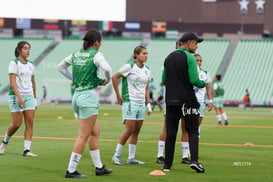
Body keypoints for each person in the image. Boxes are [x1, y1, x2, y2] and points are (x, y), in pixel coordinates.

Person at [57, 29, 112, 178]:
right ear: (96, 42)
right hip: (88, 98)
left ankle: (99, 167)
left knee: (95, 131)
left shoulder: (76, 53)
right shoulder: (96, 54)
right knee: (83, 137)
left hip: (77, 96)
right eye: (100, 42)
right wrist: (107, 79)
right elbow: (107, 68)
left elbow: (60, 67)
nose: (101, 45)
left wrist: (74, 78)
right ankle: (71, 170)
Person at [162, 32, 206, 173]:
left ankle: (167, 165)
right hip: (187, 100)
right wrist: (202, 83)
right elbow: (194, 80)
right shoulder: (190, 57)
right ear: (188, 42)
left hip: (171, 101)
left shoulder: (168, 57)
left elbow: (163, 80)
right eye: (196, 43)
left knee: (171, 133)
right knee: (192, 130)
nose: (197, 46)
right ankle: (194, 161)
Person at [112, 45, 152, 165]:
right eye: (143, 53)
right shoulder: (129, 66)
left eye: (147, 54)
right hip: (130, 102)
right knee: (130, 129)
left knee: (136, 131)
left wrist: (148, 104)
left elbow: (146, 87)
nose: (146, 56)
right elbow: (114, 78)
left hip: (141, 104)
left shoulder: (147, 70)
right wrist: (118, 95)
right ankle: (116, 155)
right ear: (136, 55)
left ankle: (131, 158)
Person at [0, 41, 38, 157]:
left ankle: (27, 150)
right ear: (20, 50)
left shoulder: (31, 64)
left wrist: (35, 98)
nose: (28, 50)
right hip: (16, 96)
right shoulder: (14, 63)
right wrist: (19, 97)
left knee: (30, 123)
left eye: (29, 48)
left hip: (29, 96)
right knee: (16, 124)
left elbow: (33, 81)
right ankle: (4, 142)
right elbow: (12, 82)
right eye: (25, 48)